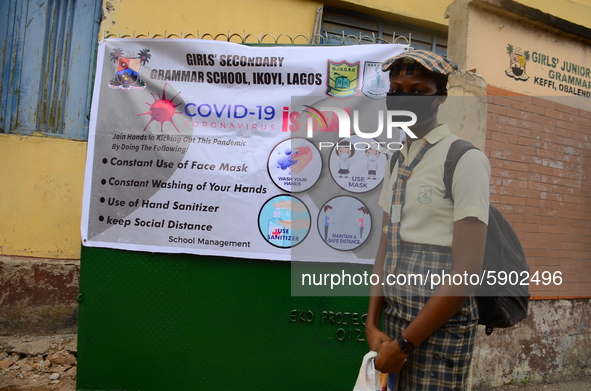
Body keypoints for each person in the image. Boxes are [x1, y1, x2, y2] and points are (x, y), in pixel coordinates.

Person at [364, 50, 491, 390]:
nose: (405, 99)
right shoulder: (396, 160)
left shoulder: (463, 159)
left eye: (419, 91)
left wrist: (406, 344)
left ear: (441, 97)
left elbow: (467, 271)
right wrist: (372, 323)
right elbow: (386, 247)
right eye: (397, 90)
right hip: (393, 320)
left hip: (439, 328)